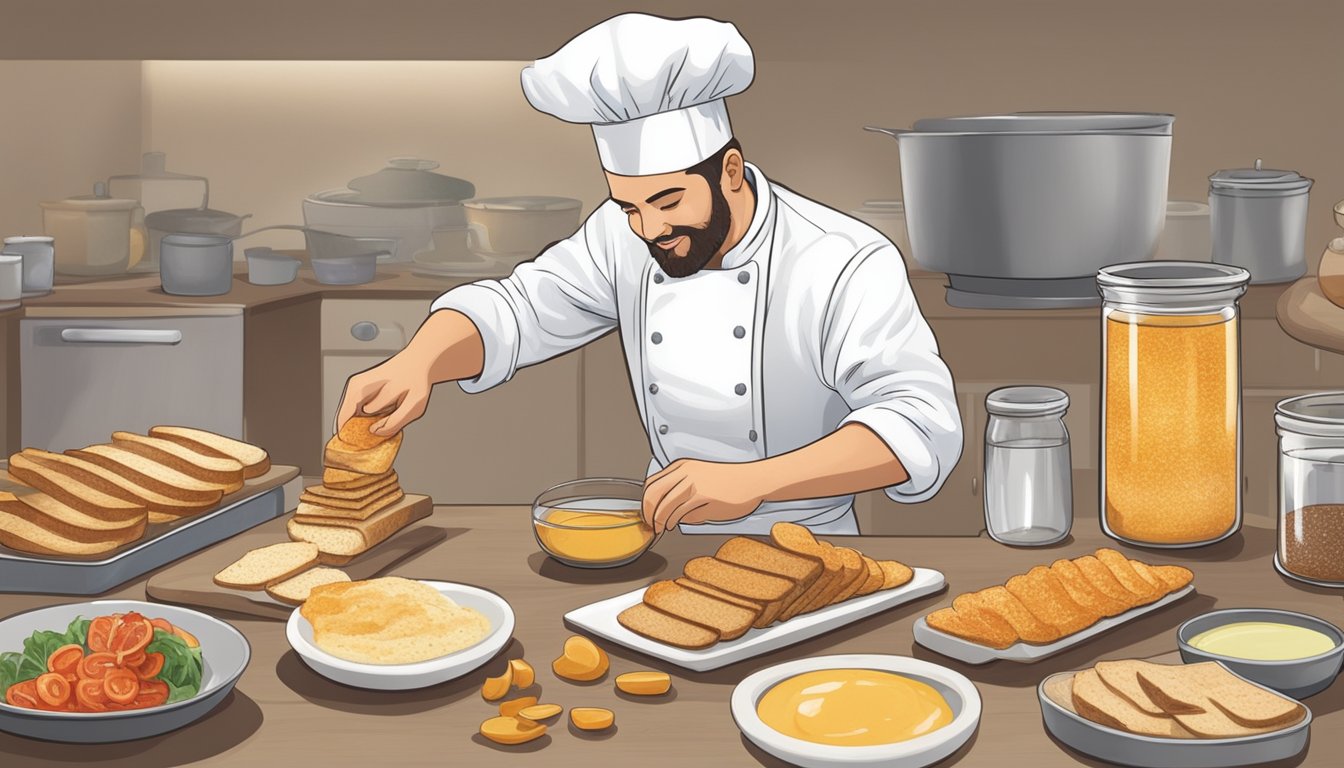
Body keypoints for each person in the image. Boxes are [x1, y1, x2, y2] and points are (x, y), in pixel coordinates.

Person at [336, 13, 962, 536]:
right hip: (664, 532)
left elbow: (919, 423)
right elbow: (519, 308)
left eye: (667, 202)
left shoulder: (842, 258)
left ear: (732, 171)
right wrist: (418, 361)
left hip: (809, 541)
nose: (648, 230)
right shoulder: (623, 237)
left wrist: (755, 481)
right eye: (629, 205)